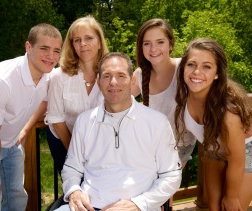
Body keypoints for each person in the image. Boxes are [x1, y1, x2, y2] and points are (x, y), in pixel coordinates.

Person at [55, 52, 182, 211]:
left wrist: (139, 204)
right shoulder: (84, 121)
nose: (113, 82)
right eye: (107, 76)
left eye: (121, 75)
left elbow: (171, 175)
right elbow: (72, 168)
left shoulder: (157, 122)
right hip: (87, 207)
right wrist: (74, 191)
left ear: (132, 80)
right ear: (99, 83)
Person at [0, 23, 62, 210]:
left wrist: (26, 128)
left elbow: (44, 101)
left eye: (56, 51)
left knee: (17, 200)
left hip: (11, 143)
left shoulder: (49, 76)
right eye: (44, 49)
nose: (51, 56)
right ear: (28, 47)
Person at [174, 38, 252, 211]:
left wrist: (231, 196)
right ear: (183, 68)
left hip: (247, 152)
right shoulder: (184, 94)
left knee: (229, 207)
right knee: (213, 208)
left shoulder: (228, 114)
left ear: (217, 73)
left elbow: (237, 162)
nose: (197, 72)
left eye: (207, 67)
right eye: (191, 64)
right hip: (214, 149)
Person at [45, 15, 109, 175]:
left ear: (100, 42)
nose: (83, 44)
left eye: (89, 38)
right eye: (77, 40)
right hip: (63, 140)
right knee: (75, 188)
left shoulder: (110, 75)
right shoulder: (58, 76)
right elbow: (56, 120)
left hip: (100, 146)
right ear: (72, 45)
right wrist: (76, 154)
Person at [131, 18, 195, 166]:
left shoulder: (184, 68)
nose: (153, 49)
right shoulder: (140, 75)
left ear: (170, 44)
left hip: (180, 145)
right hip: (151, 146)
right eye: (147, 43)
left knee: (164, 187)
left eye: (160, 42)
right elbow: (119, 99)